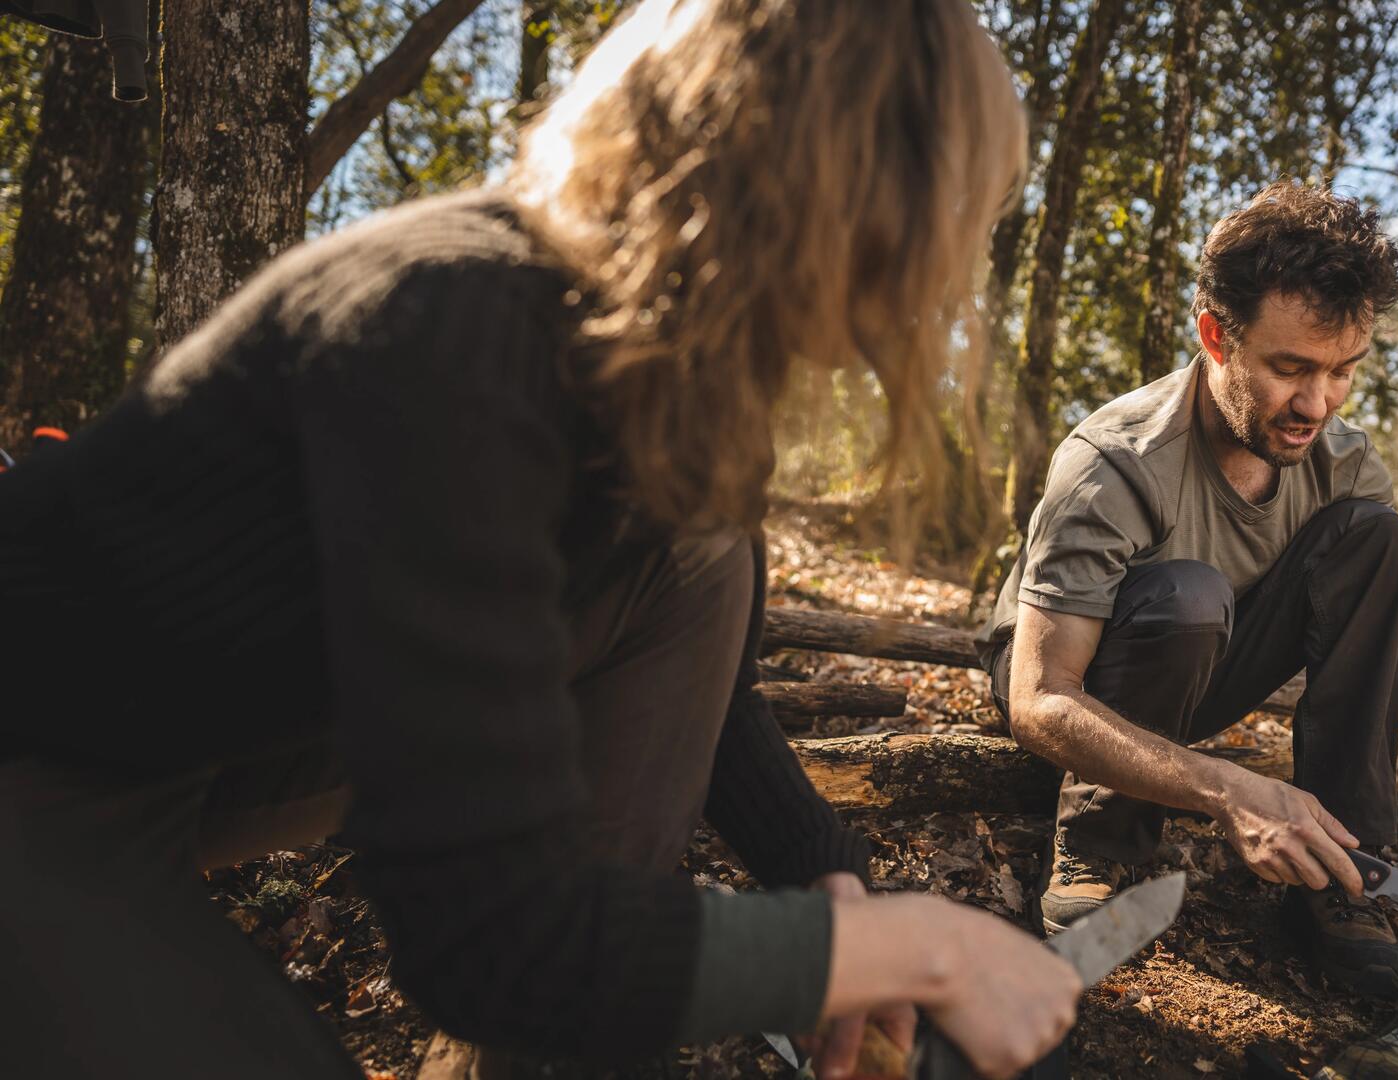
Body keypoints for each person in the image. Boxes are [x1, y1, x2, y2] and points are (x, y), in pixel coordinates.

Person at [0, 2, 1084, 1077]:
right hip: (40, 755)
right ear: (844, 176)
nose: (954, 273)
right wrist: (914, 949)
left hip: (214, 741)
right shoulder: (453, 322)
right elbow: (477, 942)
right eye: (957, 210)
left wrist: (824, 883)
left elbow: (698, 699)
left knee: (704, 552)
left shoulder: (658, 381)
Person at [977, 182, 1398, 998]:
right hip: (1072, 679)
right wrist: (1228, 789)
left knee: (1375, 537)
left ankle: (1342, 864)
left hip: (1206, 659)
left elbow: (1342, 603)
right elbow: (1038, 699)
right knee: (1189, 595)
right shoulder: (1113, 463)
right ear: (1217, 336)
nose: (1315, 404)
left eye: (1342, 372)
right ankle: (1099, 840)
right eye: (1289, 369)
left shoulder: (1343, 462)